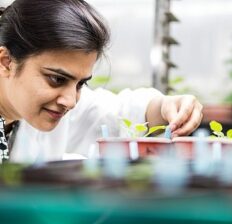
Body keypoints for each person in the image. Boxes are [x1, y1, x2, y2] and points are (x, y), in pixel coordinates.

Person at [0, 0, 203, 163]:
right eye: (57, 79)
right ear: (6, 61)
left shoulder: (36, 107)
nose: (70, 101)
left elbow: (118, 113)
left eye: (80, 84)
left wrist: (167, 107)